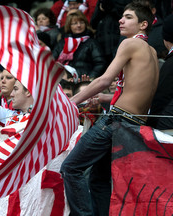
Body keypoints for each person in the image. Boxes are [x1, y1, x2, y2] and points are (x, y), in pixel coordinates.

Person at [60, 2, 158, 215]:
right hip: (132, 124)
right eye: (121, 16)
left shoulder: (129, 44)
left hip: (117, 121)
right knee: (99, 179)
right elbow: (134, 92)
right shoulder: (151, 50)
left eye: (128, 17)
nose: (121, 20)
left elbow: (104, 79)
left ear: (143, 24)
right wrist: (102, 98)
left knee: (70, 168)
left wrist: (70, 102)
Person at [53, 10, 106, 79]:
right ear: (69, 26)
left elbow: (100, 63)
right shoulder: (62, 43)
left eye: (81, 22)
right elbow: (52, 61)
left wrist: (89, 79)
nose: (79, 25)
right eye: (75, 23)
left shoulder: (92, 43)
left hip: (83, 82)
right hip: (64, 80)